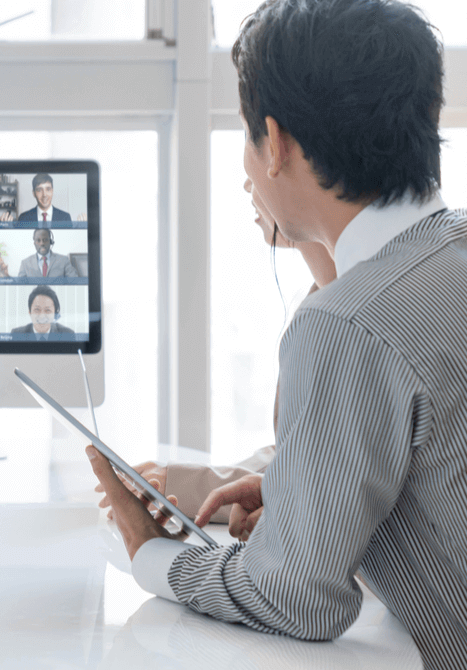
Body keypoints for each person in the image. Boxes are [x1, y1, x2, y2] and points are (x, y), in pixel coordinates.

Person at [90, 2, 467, 667]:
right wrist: (298, 488)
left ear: (277, 144)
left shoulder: (346, 321)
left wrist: (148, 554)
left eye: (246, 137)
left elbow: (295, 600)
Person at [99, 176, 337, 526]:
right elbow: (303, 452)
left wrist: (152, 552)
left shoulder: (346, 317)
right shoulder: (320, 296)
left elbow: (319, 475)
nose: (246, 184)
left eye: (254, 139)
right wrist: (182, 484)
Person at [3, 229, 79, 278]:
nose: (42, 243)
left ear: (51, 242)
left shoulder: (64, 260)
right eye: (38, 240)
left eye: (45, 240)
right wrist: (7, 276)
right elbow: (19, 286)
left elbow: (75, 281)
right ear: (34, 243)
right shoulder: (25, 263)